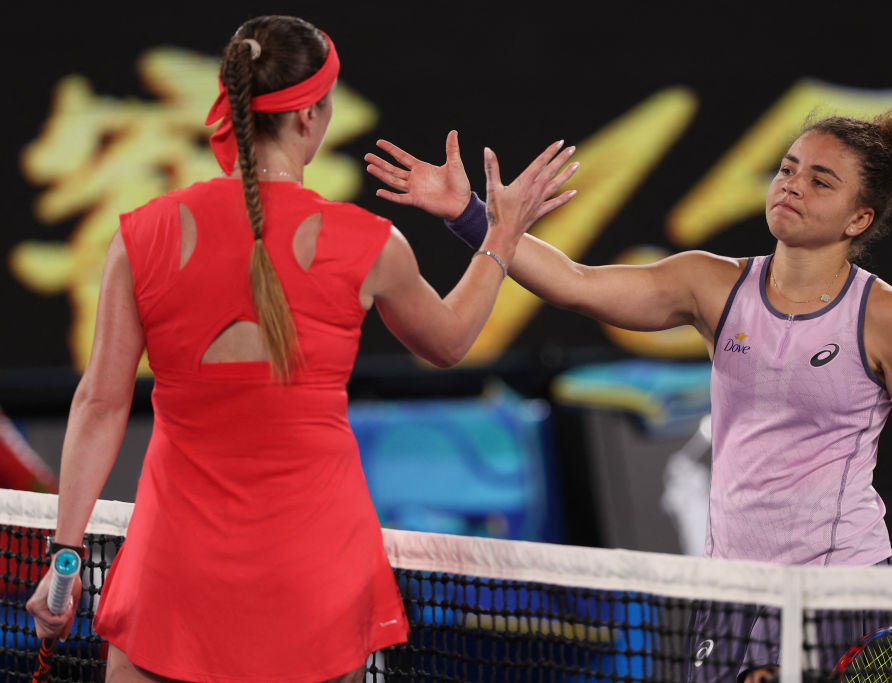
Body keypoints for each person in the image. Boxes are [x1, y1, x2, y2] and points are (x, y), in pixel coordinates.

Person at [26, 14, 577, 683]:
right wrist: (501, 232)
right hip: (315, 587)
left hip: (172, 585)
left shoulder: (142, 236)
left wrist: (65, 558)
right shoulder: (371, 243)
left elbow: (99, 402)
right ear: (311, 115)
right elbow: (450, 341)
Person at [364, 109, 892, 682]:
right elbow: (575, 283)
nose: (791, 185)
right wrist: (469, 213)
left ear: (859, 219)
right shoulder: (709, 284)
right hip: (728, 592)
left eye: (820, 181)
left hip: (839, 591)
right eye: (787, 169)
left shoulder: (890, 319)